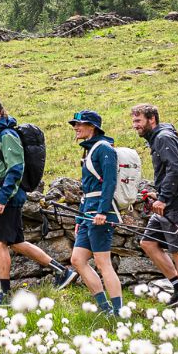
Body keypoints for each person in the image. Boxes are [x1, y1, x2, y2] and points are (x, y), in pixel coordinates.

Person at [0, 96, 76, 307]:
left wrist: (2, 199)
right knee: (17, 242)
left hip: (9, 197)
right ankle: (63, 271)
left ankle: (4, 295)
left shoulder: (6, 135)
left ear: (1, 113)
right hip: (5, 195)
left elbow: (15, 169)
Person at [131, 104, 178, 309]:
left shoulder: (163, 138)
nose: (135, 126)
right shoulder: (159, 138)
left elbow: (175, 169)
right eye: (134, 121)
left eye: (138, 121)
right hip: (167, 201)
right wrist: (158, 193)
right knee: (148, 243)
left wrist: (164, 198)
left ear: (152, 119)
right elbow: (168, 170)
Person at [67, 110, 125, 317]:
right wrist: (80, 217)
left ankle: (118, 312)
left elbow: (109, 182)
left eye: (80, 124)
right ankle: (104, 308)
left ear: (92, 127)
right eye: (75, 124)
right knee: (77, 260)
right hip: (87, 213)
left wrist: (102, 211)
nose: (76, 127)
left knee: (102, 263)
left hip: (100, 214)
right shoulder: (90, 150)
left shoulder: (105, 149)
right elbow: (87, 188)